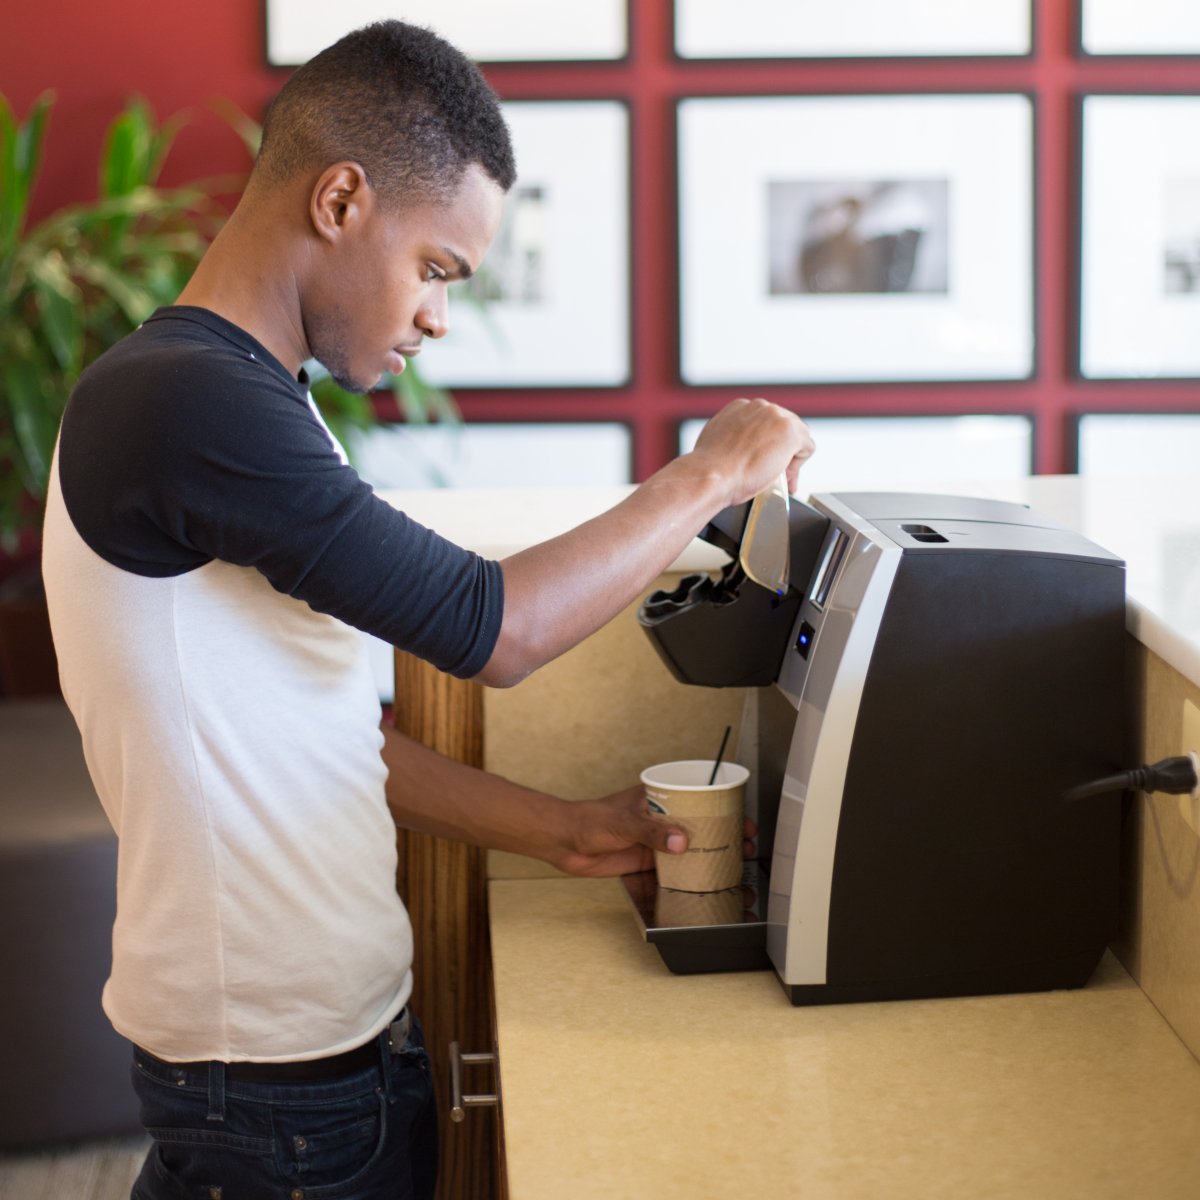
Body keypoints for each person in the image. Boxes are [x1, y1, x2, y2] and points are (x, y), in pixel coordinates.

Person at [41, 19, 814, 1200]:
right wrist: (711, 471)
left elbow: (322, 739)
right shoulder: (187, 405)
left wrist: (557, 828)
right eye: (437, 269)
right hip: (274, 1087)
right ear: (342, 199)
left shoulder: (251, 397)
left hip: (301, 1062)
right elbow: (491, 629)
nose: (437, 317)